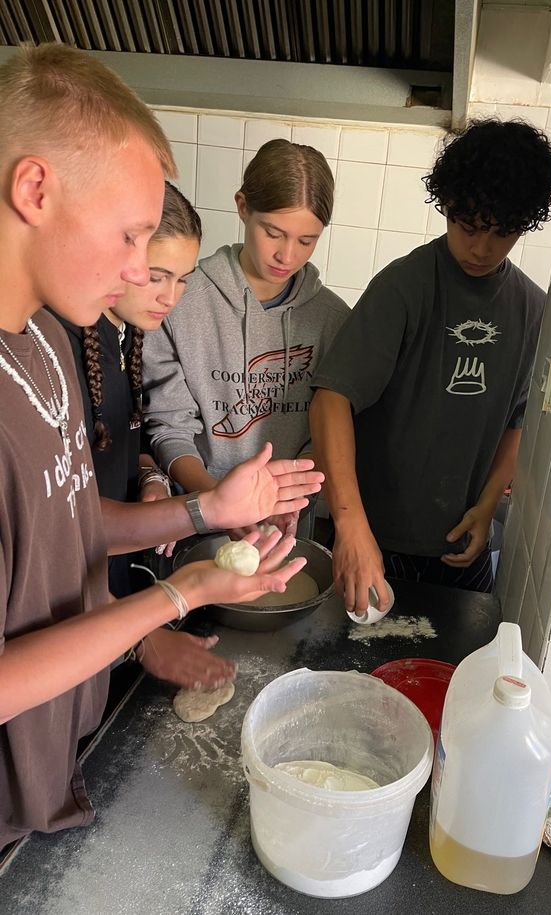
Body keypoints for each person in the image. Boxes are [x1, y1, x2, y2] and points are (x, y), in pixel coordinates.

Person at [0, 43, 323, 850]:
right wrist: (177, 596)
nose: (143, 271)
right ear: (34, 189)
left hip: (44, 770)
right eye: (130, 234)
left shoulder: (43, 339)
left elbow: (68, 525)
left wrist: (206, 507)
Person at [309, 119, 551, 614]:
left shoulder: (533, 310)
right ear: (447, 206)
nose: (481, 248)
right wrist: (350, 525)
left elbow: (520, 422)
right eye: (469, 227)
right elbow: (330, 400)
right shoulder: (404, 288)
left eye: (501, 233)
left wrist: (488, 505)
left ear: (525, 224)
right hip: (372, 543)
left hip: (460, 553)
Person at [52, 181, 233, 689]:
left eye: (183, 280)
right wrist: (144, 634)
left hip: (108, 610)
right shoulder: (59, 354)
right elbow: (64, 528)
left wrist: (151, 475)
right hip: (70, 627)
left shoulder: (120, 336)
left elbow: (115, 446)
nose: (170, 297)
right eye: (157, 276)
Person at [143, 138, 350, 538]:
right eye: (273, 233)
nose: (287, 256)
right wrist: (220, 502)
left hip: (287, 522)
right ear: (242, 208)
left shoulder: (333, 320)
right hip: (193, 515)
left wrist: (289, 500)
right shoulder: (180, 298)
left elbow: (326, 432)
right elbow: (168, 425)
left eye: (306, 241)